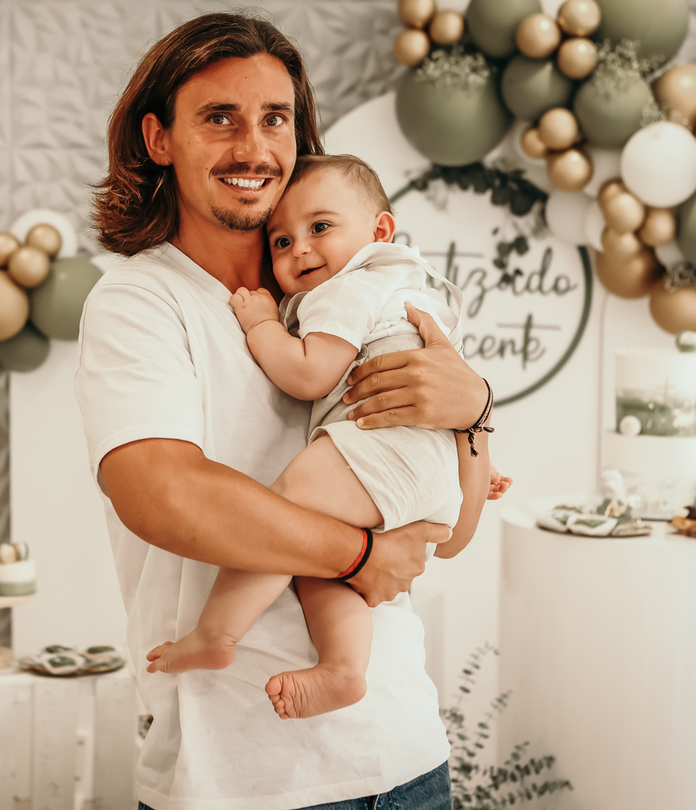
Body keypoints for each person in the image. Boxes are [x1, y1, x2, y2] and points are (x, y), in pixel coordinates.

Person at [74, 11, 492, 810]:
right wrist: (358, 554)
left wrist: (473, 409)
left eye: (276, 118)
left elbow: (444, 530)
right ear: (160, 139)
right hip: (243, 776)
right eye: (219, 118)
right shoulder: (140, 299)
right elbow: (164, 492)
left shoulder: (349, 304)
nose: (254, 146)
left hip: (402, 751)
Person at [144, 153, 511, 720]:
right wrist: (467, 461)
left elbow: (310, 372)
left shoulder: (356, 283)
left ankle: (216, 631)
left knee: (280, 514)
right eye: (282, 241)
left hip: (384, 448)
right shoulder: (406, 288)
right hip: (414, 456)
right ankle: (342, 668)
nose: (300, 250)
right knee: (317, 558)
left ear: (379, 231)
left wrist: (263, 325)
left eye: (320, 228)